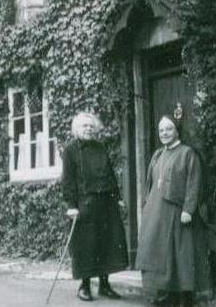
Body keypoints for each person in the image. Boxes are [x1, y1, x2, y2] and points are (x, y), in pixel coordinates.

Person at [135, 115, 209, 307]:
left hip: (177, 215)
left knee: (179, 257)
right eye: (161, 130)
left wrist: (188, 209)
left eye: (168, 129)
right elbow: (150, 184)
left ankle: (182, 300)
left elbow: (194, 183)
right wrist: (146, 206)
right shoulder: (158, 155)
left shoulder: (187, 154)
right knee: (158, 255)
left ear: (176, 131)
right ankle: (162, 297)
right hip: (156, 215)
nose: (164, 134)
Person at [62, 112, 128, 302]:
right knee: (87, 245)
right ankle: (84, 285)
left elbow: (109, 173)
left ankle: (105, 285)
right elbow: (68, 180)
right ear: (76, 129)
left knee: (106, 243)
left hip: (106, 202)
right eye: (84, 126)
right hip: (85, 204)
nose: (88, 129)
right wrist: (71, 205)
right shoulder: (70, 150)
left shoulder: (100, 147)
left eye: (91, 126)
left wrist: (117, 197)